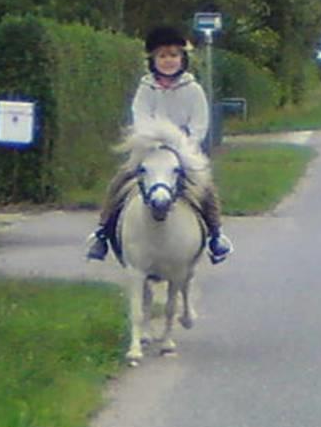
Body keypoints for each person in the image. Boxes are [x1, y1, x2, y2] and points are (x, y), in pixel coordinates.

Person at [86, 25, 233, 264]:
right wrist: (150, 142)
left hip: (183, 151)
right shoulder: (146, 88)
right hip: (149, 149)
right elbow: (140, 117)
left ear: (182, 59)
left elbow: (199, 123)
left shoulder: (193, 90)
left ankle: (216, 235)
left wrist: (184, 146)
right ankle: (102, 232)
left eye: (173, 55)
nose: (168, 61)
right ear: (153, 60)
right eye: (162, 56)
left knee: (206, 188)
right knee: (119, 182)